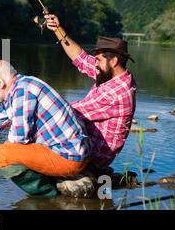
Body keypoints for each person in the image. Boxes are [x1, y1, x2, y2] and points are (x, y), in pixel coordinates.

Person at [45, 14, 136, 175]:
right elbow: (80, 58)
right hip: (87, 144)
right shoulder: (115, 75)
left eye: (98, 60)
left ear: (113, 61)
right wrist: (58, 30)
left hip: (92, 158)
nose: (95, 64)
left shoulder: (115, 93)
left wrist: (30, 110)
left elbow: (67, 112)